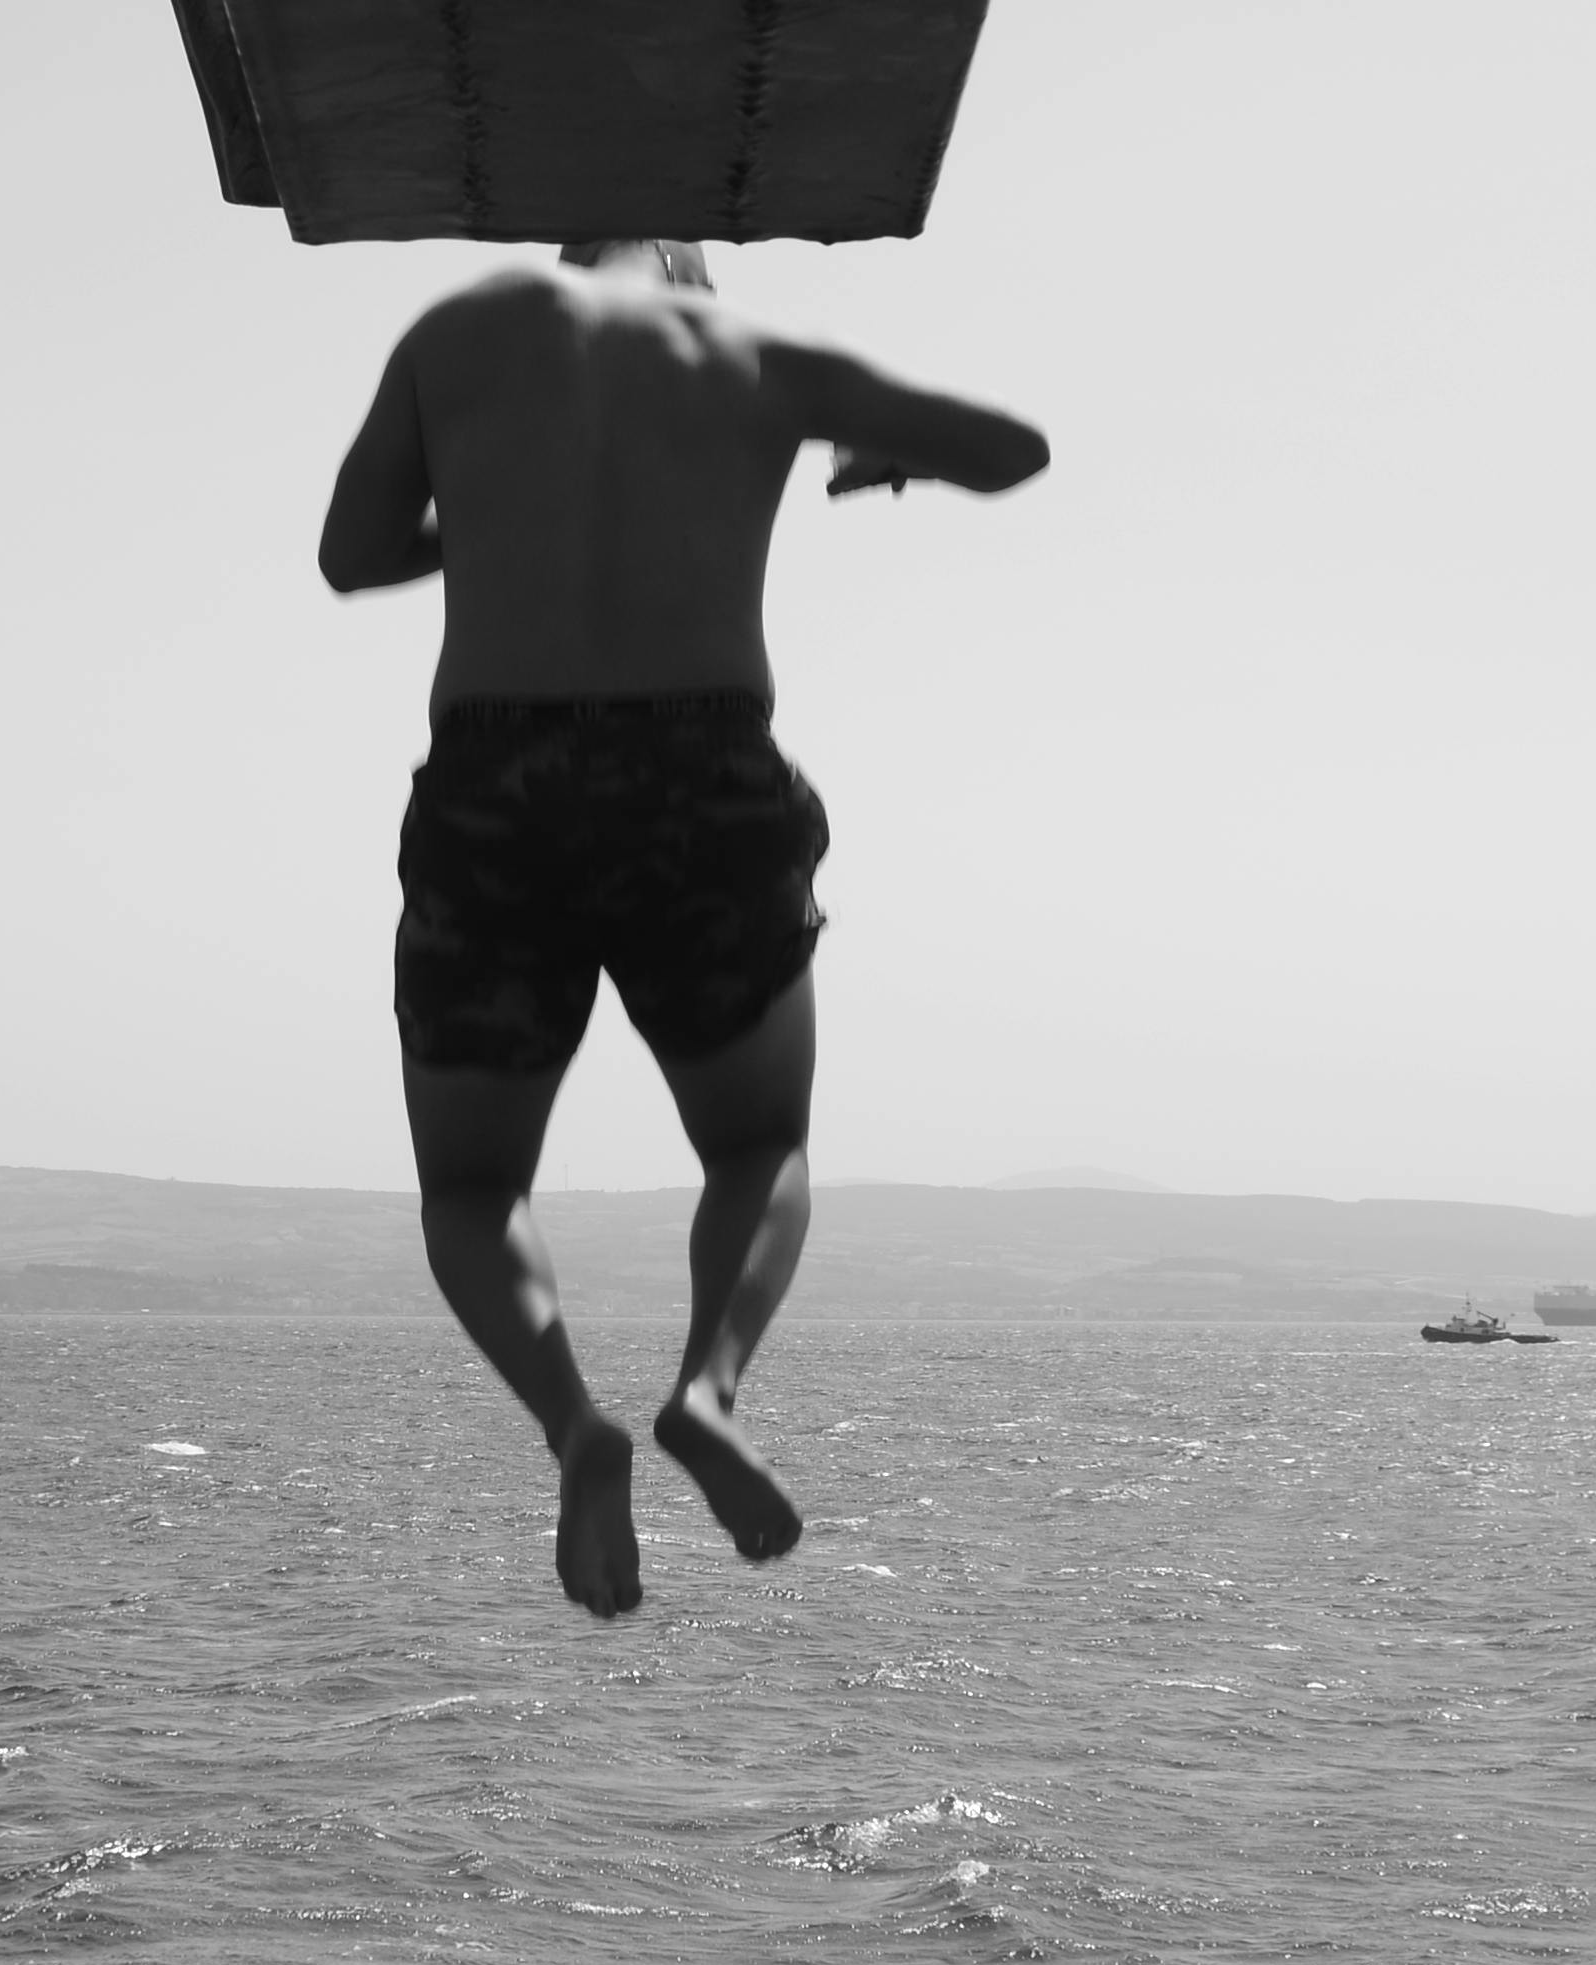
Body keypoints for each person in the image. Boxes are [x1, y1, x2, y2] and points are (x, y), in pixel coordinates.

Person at [320, 238, 1054, 1616]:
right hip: (704, 776)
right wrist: (873, 454)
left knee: (475, 1192)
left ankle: (573, 1426)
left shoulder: (459, 332)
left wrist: (488, 518)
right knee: (757, 1144)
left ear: (573, 252)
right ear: (687, 274)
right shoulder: (760, 362)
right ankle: (707, 1394)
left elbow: (350, 555)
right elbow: (1014, 449)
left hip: (498, 781)